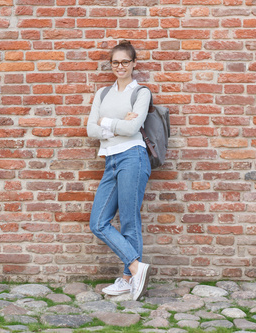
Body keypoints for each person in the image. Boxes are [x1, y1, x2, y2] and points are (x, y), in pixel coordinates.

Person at [87, 40, 152, 301]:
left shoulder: (141, 92)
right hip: (110, 160)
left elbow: (133, 129)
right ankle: (137, 268)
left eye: (125, 61)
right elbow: (90, 130)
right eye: (115, 62)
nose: (120, 66)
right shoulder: (103, 93)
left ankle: (127, 280)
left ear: (134, 63)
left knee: (128, 220)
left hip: (133, 157)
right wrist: (116, 123)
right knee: (98, 222)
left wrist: (105, 122)